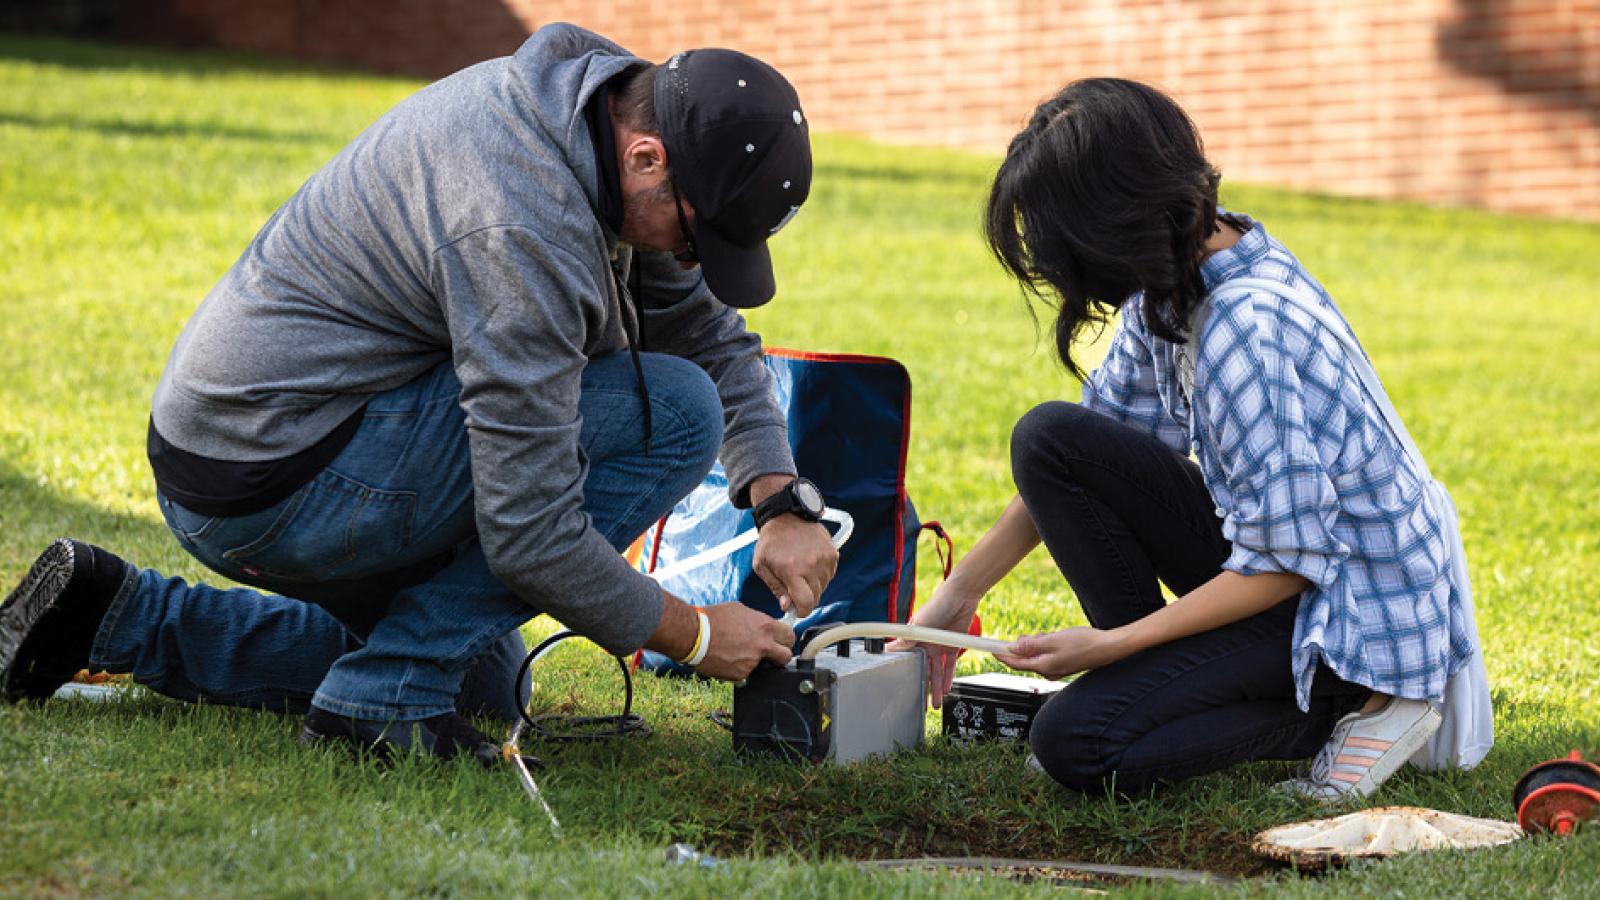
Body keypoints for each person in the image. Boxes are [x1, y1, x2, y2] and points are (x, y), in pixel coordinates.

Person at [0, 24, 840, 765]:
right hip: (274, 473)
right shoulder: (521, 221)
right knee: (677, 412)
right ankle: (381, 702)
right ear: (646, 158)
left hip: (257, 446)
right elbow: (530, 533)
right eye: (698, 237)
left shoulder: (599, 108)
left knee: (484, 674)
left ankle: (116, 615)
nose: (694, 264)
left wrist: (779, 500)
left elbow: (706, 329)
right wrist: (691, 634)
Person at [894, 78, 1488, 798]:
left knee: (1075, 745)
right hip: (1293, 570)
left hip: (1347, 620)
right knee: (1049, 438)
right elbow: (1095, 442)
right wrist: (954, 600)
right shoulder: (1191, 267)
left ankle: (1353, 708)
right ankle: (1156, 686)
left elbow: (1289, 563)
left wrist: (1111, 647)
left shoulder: (1243, 329)